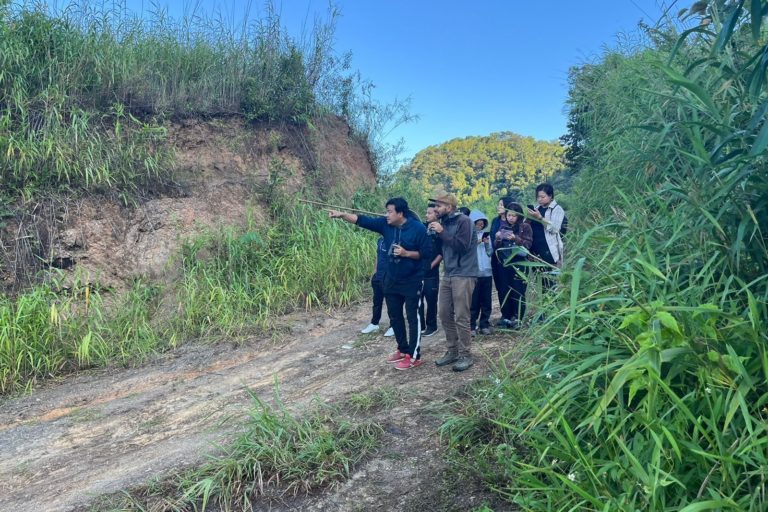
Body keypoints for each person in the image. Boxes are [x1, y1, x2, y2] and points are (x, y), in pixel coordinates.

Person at [329, 198, 429, 370]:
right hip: (391, 280)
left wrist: (406, 253)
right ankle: (402, 349)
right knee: (395, 316)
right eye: (386, 211)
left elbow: (425, 254)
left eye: (390, 211)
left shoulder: (418, 229)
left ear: (400, 213)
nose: (386, 214)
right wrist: (342, 215)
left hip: (412, 280)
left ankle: (414, 356)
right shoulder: (385, 224)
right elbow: (362, 220)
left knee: (413, 318)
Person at [428, 191, 478, 372]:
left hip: (464, 273)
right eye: (435, 206)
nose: (435, 208)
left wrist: (442, 232)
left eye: (438, 205)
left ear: (449, 207)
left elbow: (462, 246)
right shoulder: (444, 223)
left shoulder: (464, 221)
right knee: (443, 312)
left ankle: (466, 355)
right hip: (448, 273)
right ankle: (452, 351)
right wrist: (434, 234)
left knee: (461, 315)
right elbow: (441, 249)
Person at [495, 202, 533, 329]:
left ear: (519, 216)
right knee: (505, 290)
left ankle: (518, 318)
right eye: (509, 215)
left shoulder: (525, 227)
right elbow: (497, 247)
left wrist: (515, 239)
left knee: (519, 291)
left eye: (514, 216)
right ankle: (506, 317)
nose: (511, 218)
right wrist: (498, 238)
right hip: (505, 264)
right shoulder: (503, 227)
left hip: (519, 264)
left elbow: (527, 245)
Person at [526, 183, 566, 291]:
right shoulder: (536, 209)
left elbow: (555, 229)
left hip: (549, 252)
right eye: (538, 197)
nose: (540, 199)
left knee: (551, 283)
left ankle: (553, 305)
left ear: (551, 196)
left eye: (542, 197)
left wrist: (540, 218)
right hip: (535, 253)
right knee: (541, 284)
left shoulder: (557, 209)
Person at [419, 204, 443, 337]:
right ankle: (420, 325)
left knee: (431, 300)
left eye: (429, 213)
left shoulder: (440, 231)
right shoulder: (421, 228)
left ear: (437, 215)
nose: (426, 215)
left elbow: (441, 253)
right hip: (419, 271)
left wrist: (431, 265)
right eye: (426, 213)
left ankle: (432, 326)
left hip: (431, 273)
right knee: (418, 299)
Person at [469, 209, 493, 336]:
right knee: (473, 301)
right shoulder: (468, 235)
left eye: (482, 223)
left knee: (486, 300)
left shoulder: (486, 235)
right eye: (477, 223)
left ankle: (484, 324)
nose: (480, 225)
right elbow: (466, 251)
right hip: (474, 273)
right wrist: (476, 242)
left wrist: (487, 244)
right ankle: (471, 325)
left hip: (487, 272)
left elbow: (490, 253)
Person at [490, 196, 513, 313]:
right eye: (498, 204)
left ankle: (514, 314)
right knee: (500, 287)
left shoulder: (514, 220)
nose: (499, 207)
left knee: (511, 286)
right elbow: (492, 237)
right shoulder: (495, 221)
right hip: (497, 258)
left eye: (501, 205)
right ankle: (505, 314)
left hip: (510, 258)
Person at [361, 236, 388, 334]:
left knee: (391, 303)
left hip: (388, 277)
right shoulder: (380, 240)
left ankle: (393, 326)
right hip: (378, 276)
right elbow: (378, 255)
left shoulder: (394, 239)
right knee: (377, 302)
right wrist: (375, 272)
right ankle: (374, 323)